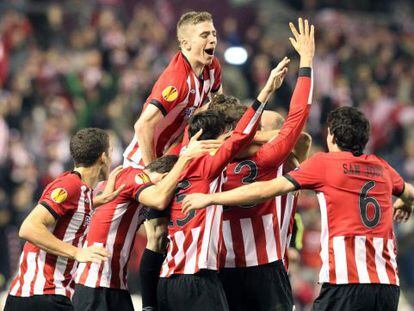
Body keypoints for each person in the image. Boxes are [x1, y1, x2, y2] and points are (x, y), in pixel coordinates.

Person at [182, 106, 414, 311]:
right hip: (387, 285)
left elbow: (265, 189)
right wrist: (405, 202)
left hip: (345, 281)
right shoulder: (382, 168)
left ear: (331, 135)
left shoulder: (324, 164)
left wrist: (211, 199)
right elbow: (410, 192)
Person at [156, 48, 290, 310]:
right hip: (197, 279)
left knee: (154, 236)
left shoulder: (174, 166)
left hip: (166, 278)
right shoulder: (208, 167)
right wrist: (267, 91)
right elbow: (241, 136)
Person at [209, 18, 314, 311]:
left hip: (222, 268)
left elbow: (299, 136)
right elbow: (298, 122)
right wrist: (306, 62)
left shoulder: (205, 161)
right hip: (265, 268)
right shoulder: (272, 157)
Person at [121, 11, 222, 310]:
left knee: (171, 234)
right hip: (145, 163)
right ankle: (150, 305)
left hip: (176, 160)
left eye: (213, 33)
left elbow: (217, 107)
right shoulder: (176, 80)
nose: (212, 39)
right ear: (185, 43)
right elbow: (142, 126)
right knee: (158, 234)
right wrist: (155, 172)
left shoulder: (212, 68)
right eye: (204, 35)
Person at [72, 132, 220, 311]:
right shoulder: (131, 175)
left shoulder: (127, 194)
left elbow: (155, 237)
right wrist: (186, 158)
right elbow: (159, 198)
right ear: (164, 177)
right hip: (95, 288)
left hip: (115, 287)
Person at [5, 128, 123, 311]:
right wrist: (77, 252)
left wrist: (99, 200)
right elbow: (28, 228)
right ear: (102, 157)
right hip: (42, 295)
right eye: (111, 152)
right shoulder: (70, 185)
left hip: (41, 295)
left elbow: (71, 211)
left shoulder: (81, 191)